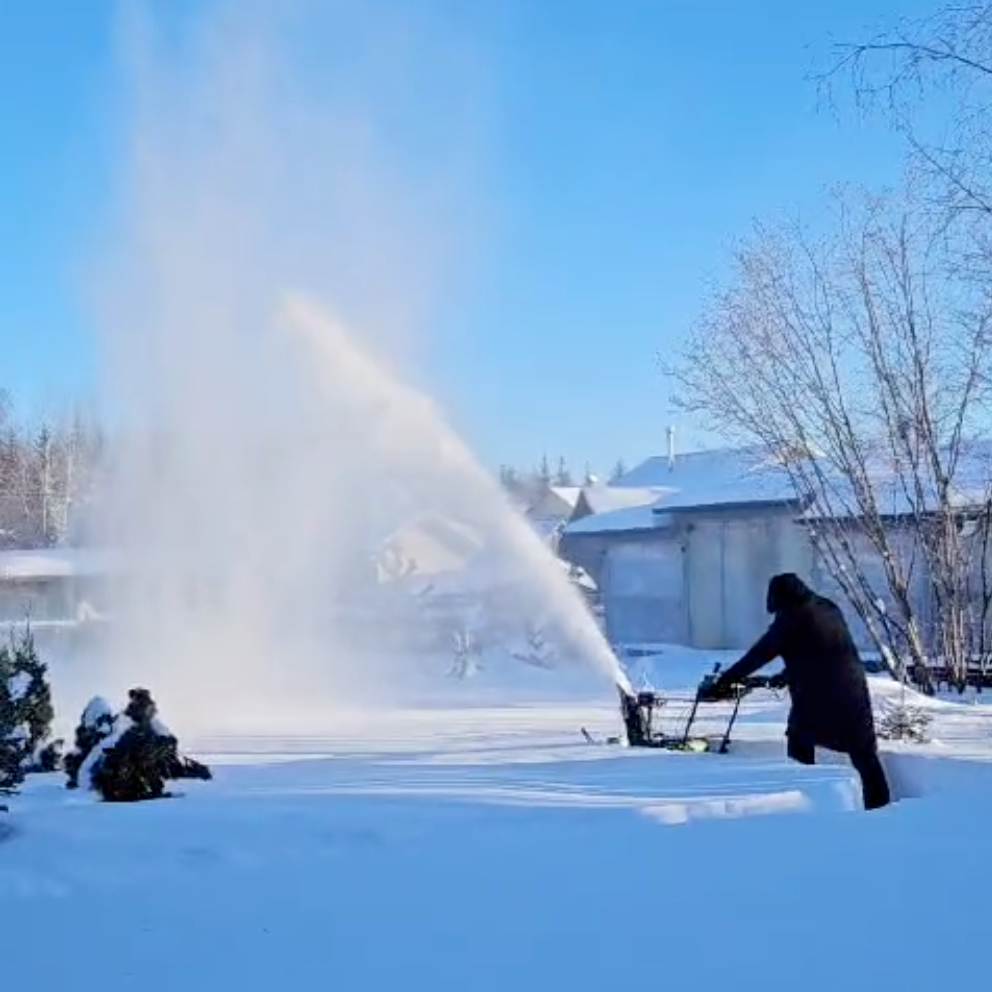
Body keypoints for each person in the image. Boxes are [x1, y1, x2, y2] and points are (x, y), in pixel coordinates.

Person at [701, 572, 891, 810]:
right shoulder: (827, 608)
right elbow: (820, 651)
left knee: (799, 738)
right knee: (864, 751)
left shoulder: (791, 620)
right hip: (853, 689)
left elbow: (758, 656)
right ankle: (882, 809)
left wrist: (724, 682)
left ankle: (805, 798)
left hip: (819, 697)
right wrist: (786, 675)